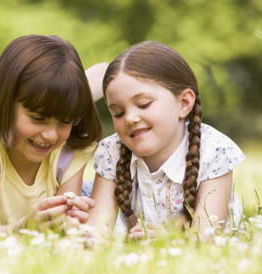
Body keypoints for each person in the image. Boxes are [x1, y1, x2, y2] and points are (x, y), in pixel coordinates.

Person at [88, 41, 245, 241]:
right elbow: (96, 230)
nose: (130, 118)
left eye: (143, 105)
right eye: (118, 113)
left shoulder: (213, 149)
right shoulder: (112, 150)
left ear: (184, 103)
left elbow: (208, 236)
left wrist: (168, 238)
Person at [0, 35, 102, 233]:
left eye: (65, 121)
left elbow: (65, 227)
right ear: (5, 103)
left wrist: (68, 223)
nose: (51, 136)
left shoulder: (68, 151)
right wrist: (26, 228)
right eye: (38, 118)